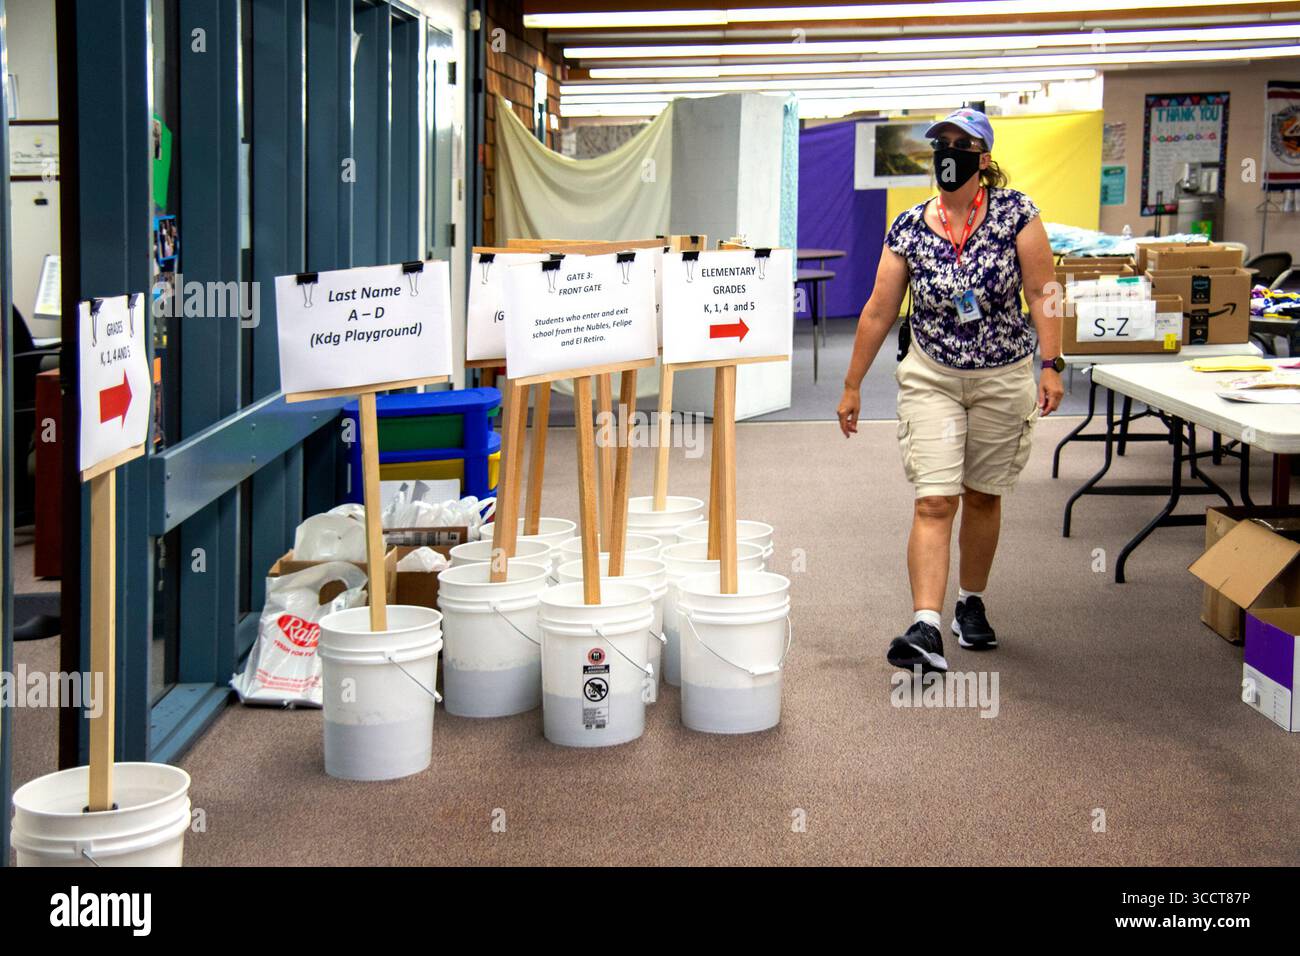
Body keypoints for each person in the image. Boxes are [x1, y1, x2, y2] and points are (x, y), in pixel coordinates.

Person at [836, 107, 1063, 673]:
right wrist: (851, 384)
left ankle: (971, 602)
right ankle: (926, 626)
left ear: (983, 160)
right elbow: (879, 309)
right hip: (931, 375)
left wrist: (1053, 362)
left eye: (962, 144)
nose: (949, 152)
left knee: (984, 494)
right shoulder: (910, 227)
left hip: (1003, 374)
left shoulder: (1017, 214)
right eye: (941, 142)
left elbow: (1043, 292)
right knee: (935, 498)